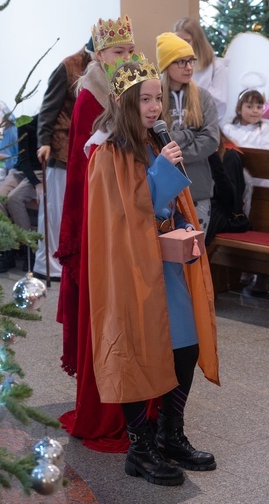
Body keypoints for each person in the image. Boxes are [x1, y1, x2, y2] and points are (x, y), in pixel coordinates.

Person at [83, 54, 219, 485]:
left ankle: (170, 433)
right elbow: (124, 215)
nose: (154, 107)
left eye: (157, 98)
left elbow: (167, 205)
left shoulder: (153, 141)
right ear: (124, 102)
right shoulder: (107, 151)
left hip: (168, 265)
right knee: (137, 352)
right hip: (133, 271)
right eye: (144, 99)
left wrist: (183, 228)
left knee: (185, 347)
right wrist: (163, 172)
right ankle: (139, 449)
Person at [56, 14, 136, 454]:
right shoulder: (90, 96)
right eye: (116, 52)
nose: (124, 58)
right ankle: (104, 403)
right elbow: (83, 168)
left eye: (128, 51)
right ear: (99, 56)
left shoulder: (132, 88)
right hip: (100, 217)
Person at [33, 38, 94, 281]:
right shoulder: (68, 66)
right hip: (62, 149)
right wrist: (44, 141)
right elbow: (48, 107)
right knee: (56, 210)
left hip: (88, 150)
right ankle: (49, 262)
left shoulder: (110, 69)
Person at [223, 89, 269, 292]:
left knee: (264, 229)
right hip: (239, 188)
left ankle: (264, 275)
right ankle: (242, 270)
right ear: (239, 108)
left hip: (264, 187)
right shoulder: (228, 129)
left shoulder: (268, 128)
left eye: (259, 106)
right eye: (249, 106)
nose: (255, 111)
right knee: (244, 228)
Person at [155, 32, 220, 232]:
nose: (189, 67)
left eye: (191, 61)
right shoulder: (154, 97)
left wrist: (175, 153)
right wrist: (189, 134)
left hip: (198, 189)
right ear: (166, 66)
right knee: (171, 257)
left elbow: (210, 140)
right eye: (181, 62)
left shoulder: (203, 97)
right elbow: (154, 140)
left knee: (195, 253)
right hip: (165, 191)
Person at [0, 115, 42, 273]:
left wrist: (37, 183)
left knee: (14, 198)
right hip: (20, 171)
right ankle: (7, 252)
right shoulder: (25, 123)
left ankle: (30, 251)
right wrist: (36, 183)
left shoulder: (57, 126)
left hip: (41, 172)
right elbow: (24, 159)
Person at [173, 17, 228, 124]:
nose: (180, 46)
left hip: (206, 123)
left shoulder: (216, 66)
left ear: (197, 40)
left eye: (186, 41)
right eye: (177, 42)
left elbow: (220, 103)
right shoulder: (174, 65)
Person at [206, 129, 251, 245]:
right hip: (206, 206)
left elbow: (230, 199)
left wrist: (214, 161)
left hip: (224, 212)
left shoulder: (230, 155)